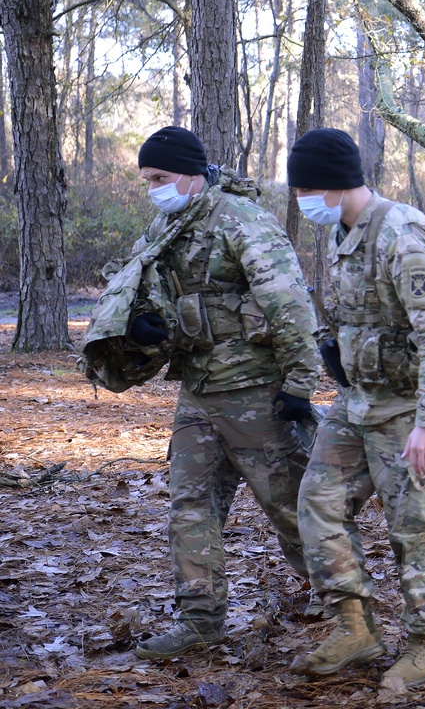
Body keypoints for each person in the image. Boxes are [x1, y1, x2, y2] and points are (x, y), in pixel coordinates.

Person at [117, 127, 321, 659]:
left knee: (292, 509)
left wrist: (299, 387)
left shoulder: (240, 219)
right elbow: (147, 297)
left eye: (160, 178)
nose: (153, 189)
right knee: (190, 507)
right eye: (147, 181)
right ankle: (201, 620)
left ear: (189, 173)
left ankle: (345, 604)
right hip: (199, 393)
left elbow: (291, 307)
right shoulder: (167, 227)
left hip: (258, 394)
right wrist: (143, 329)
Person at [284, 129, 425, 688]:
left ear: (333, 185)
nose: (301, 202)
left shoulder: (401, 233)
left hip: (411, 409)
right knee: (317, 506)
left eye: (305, 190)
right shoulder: (344, 234)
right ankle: (355, 627)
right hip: (358, 403)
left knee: (415, 528)